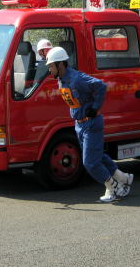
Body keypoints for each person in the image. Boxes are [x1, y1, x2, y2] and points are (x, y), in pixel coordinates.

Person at [46, 46, 134, 202]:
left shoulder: (77, 78)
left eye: (51, 66)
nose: (49, 70)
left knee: (90, 163)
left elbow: (101, 86)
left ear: (61, 65)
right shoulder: (62, 80)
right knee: (98, 156)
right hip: (79, 124)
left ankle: (112, 187)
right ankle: (123, 177)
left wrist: (95, 108)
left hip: (91, 124)